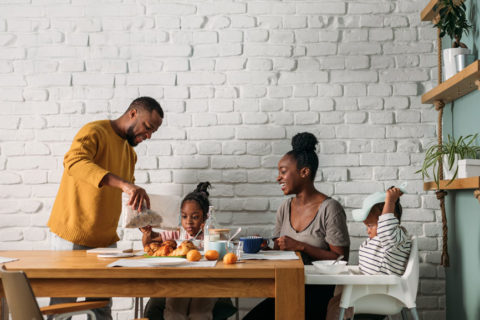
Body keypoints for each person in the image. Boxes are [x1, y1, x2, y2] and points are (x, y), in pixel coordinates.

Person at [46, 96, 164, 320]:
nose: (148, 135)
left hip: (105, 240)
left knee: (101, 307)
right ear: (132, 114)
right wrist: (126, 184)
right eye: (147, 127)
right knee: (62, 308)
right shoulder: (95, 131)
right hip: (71, 233)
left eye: (152, 132)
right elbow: (74, 161)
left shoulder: (130, 153)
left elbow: (130, 199)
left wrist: (146, 229)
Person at [243, 132, 350, 320]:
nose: (278, 178)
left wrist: (300, 246)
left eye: (283, 172)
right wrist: (266, 247)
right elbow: (280, 248)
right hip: (286, 287)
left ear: (304, 172)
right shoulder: (285, 207)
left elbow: (340, 260)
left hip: (317, 294)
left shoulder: (330, 208)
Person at [141, 182, 237, 320]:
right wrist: (147, 233)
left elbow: (229, 247)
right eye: (184, 216)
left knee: (200, 314)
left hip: (207, 285)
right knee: (174, 313)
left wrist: (214, 235)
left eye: (195, 217)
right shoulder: (177, 235)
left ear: (205, 217)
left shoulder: (212, 235)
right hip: (179, 283)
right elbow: (150, 244)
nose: (189, 222)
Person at [326, 186, 412, 320]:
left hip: (382, 295)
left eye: (371, 226)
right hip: (370, 291)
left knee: (338, 308)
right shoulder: (382, 239)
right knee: (333, 303)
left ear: (389, 220)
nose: (367, 231)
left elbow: (386, 229)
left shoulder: (393, 238)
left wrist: (390, 201)